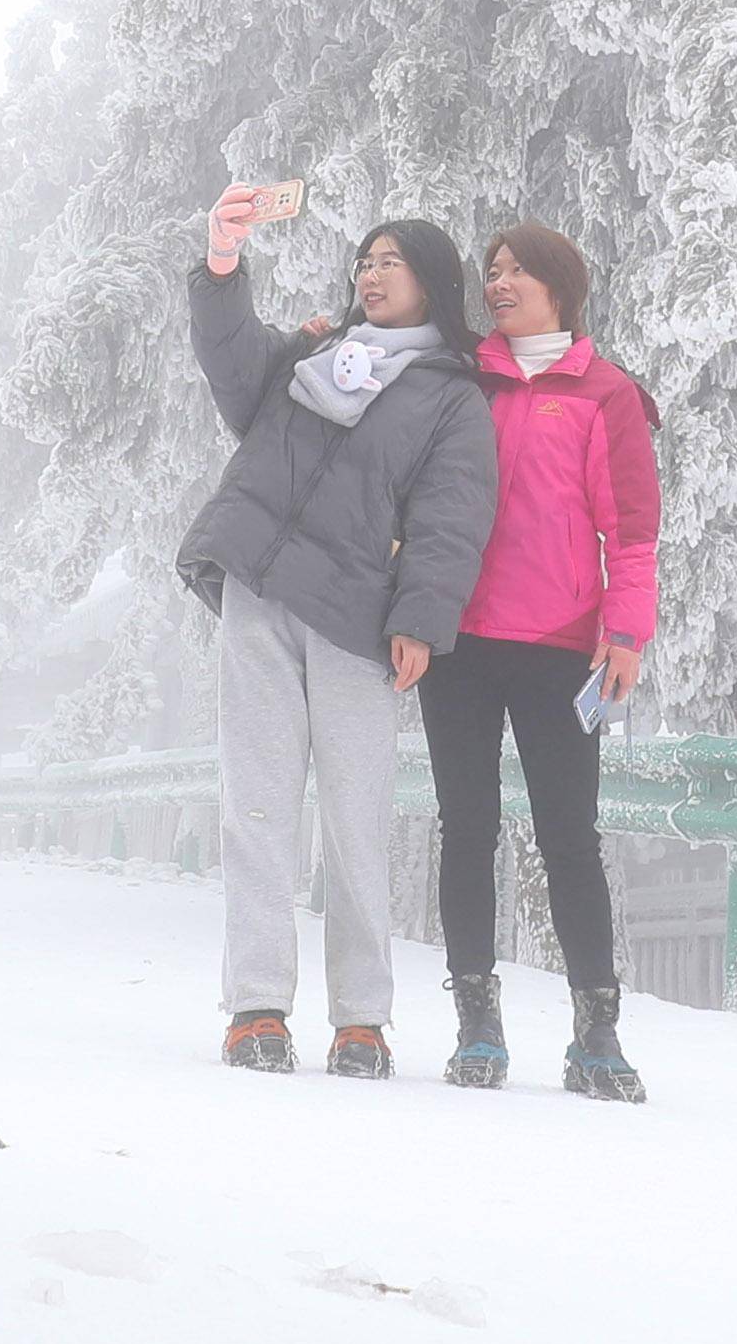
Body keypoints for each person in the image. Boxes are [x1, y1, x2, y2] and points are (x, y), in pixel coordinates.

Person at [178, 188, 497, 1080]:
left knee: (355, 818)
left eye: (392, 259)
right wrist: (222, 263)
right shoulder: (314, 356)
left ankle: (362, 1020)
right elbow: (230, 362)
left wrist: (424, 622)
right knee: (256, 804)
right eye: (366, 258)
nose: (372, 271)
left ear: (432, 282)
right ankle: (256, 1008)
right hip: (258, 591)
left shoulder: (450, 400)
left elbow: (452, 515)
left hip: (361, 622)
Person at [424, 219, 659, 1103]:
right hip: (460, 645)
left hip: (562, 647)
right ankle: (476, 1022)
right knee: (467, 827)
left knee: (570, 839)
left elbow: (630, 533)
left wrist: (626, 633)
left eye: (517, 269)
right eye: (492, 270)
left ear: (560, 284)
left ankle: (597, 1033)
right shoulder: (462, 380)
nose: (498, 281)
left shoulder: (605, 395)